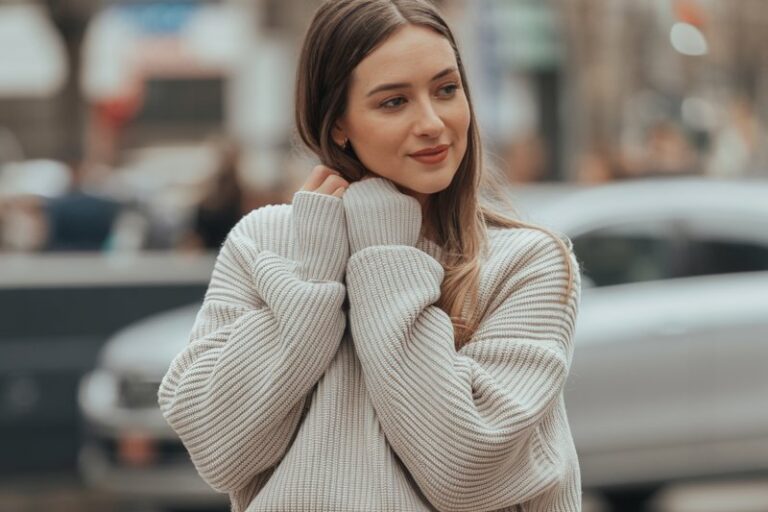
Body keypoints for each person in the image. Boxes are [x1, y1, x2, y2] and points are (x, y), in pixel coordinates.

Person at [158, 1, 582, 511]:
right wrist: (313, 278)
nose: (431, 122)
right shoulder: (264, 243)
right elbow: (217, 448)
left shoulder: (526, 263)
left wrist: (385, 252)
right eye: (393, 102)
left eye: (446, 90)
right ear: (338, 124)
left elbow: (463, 468)